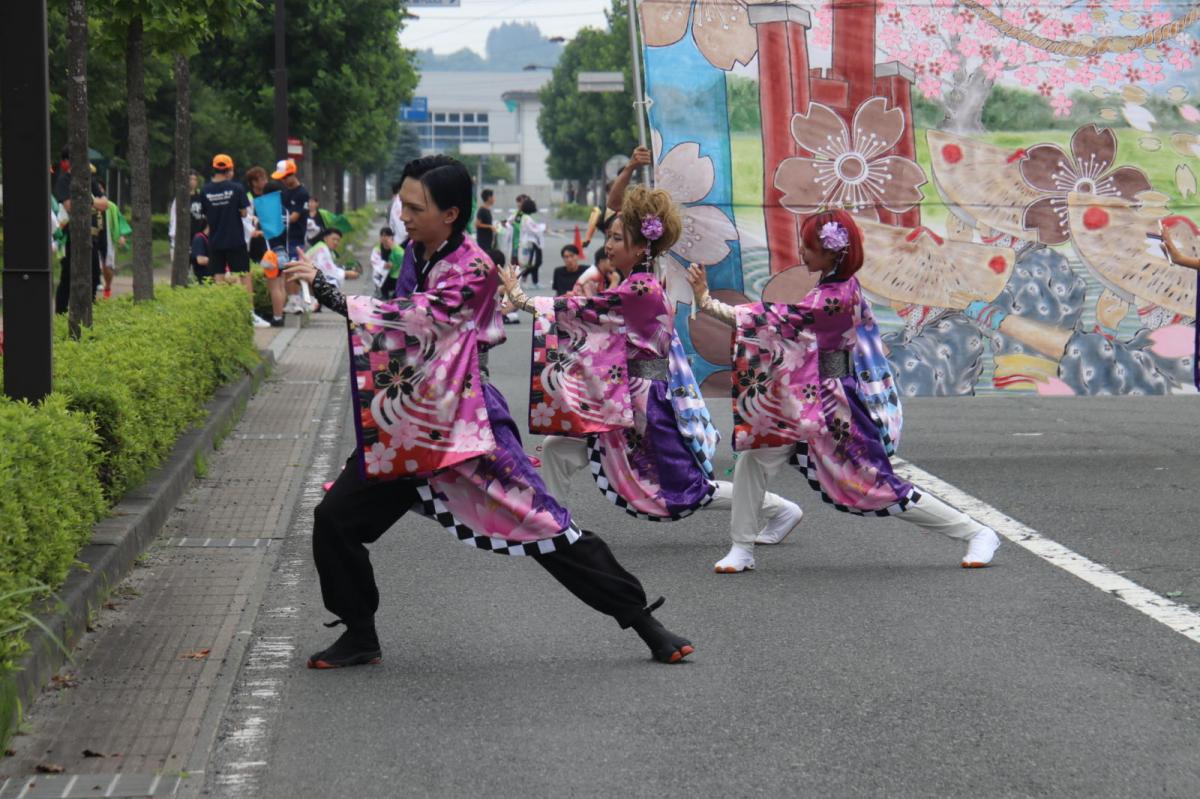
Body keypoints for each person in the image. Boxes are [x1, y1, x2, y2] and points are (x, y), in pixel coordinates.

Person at [282, 154, 694, 669]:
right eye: (402, 205)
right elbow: (403, 326)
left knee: (548, 528)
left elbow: (422, 319)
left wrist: (338, 299)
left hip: (466, 426)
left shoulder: (474, 267)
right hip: (411, 423)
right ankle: (359, 632)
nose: (404, 216)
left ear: (451, 213)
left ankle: (644, 622)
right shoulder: (417, 251)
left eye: (415, 207)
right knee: (335, 519)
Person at [685, 209, 1001, 573]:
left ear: (833, 253)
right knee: (755, 458)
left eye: (809, 248)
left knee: (875, 485)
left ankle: (976, 531)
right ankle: (742, 547)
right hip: (805, 397)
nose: (802, 254)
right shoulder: (835, 288)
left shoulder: (833, 298)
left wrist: (708, 303)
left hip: (835, 406)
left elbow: (772, 321)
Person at [500, 185, 801, 538]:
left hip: (645, 406)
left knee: (687, 489)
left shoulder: (640, 289)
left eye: (616, 238)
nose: (608, 245)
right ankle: (550, 526)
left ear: (642, 247)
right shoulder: (637, 284)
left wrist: (522, 299)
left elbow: (585, 312)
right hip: (624, 398)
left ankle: (779, 508)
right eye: (609, 237)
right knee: (558, 449)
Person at [199, 154, 263, 326]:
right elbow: (244, 212)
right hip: (235, 239)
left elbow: (205, 213)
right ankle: (249, 314)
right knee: (244, 275)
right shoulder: (236, 188)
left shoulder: (205, 190)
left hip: (216, 240)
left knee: (218, 276)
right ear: (228, 169)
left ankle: (222, 315)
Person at [53, 154, 108, 314]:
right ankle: (61, 314)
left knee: (92, 276)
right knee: (68, 277)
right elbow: (70, 206)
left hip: (91, 237)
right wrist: (92, 201)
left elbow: (105, 204)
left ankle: (86, 313)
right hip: (70, 236)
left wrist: (89, 201)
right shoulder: (64, 181)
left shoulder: (89, 180)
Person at [244, 165, 287, 326]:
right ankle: (279, 314)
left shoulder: (267, 209)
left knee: (274, 286)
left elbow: (268, 230)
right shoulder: (284, 209)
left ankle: (277, 317)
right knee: (281, 285)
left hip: (270, 252)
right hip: (283, 251)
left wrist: (258, 231)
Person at [168, 169, 206, 262]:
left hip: (198, 236)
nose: (192, 181)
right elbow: (174, 219)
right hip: (184, 237)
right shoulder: (180, 199)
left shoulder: (201, 197)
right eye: (190, 179)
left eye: (195, 179)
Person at [370, 226, 406, 298]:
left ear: (391, 237)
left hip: (394, 275)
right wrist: (383, 265)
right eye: (382, 235)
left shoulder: (396, 248)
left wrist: (393, 248)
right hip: (382, 274)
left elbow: (402, 258)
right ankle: (383, 294)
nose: (384, 238)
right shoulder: (377, 248)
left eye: (387, 235)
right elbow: (374, 260)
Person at [517, 197, 545, 286]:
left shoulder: (526, 217)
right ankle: (524, 275)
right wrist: (543, 228)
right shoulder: (526, 218)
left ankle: (535, 281)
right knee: (535, 262)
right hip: (531, 243)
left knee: (534, 262)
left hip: (532, 242)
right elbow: (534, 229)